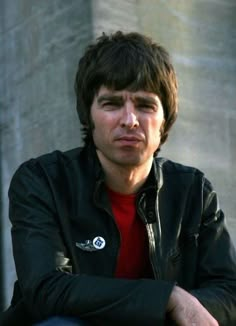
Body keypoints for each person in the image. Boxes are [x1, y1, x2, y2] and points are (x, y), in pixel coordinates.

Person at [1, 31, 236, 326]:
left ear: (166, 118)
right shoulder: (42, 180)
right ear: (88, 116)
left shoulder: (193, 191)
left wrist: (171, 306)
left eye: (145, 105)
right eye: (111, 104)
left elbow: (229, 294)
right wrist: (167, 298)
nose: (129, 120)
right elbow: (46, 289)